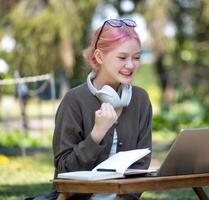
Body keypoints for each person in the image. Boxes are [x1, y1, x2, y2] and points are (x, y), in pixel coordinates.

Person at [31, 19, 152, 200]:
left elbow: (142, 163)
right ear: (99, 56)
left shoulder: (140, 99)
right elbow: (64, 170)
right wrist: (97, 133)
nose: (131, 65)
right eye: (122, 57)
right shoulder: (74, 100)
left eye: (136, 57)